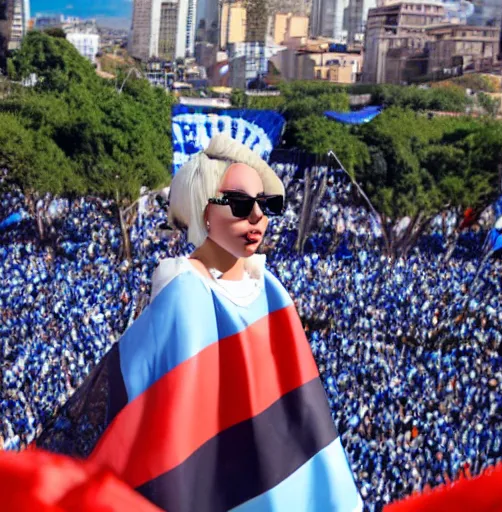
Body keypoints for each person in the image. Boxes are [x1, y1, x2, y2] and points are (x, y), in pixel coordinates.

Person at [33, 134, 362, 512]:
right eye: (240, 203)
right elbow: (139, 407)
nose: (257, 216)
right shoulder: (185, 292)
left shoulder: (271, 289)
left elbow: (303, 413)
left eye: (265, 204)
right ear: (205, 211)